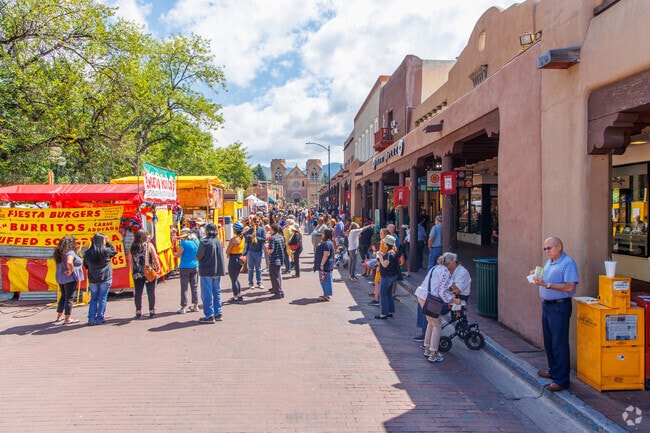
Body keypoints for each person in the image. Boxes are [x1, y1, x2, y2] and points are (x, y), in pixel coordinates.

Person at [531, 236, 578, 392]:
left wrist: (546, 284)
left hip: (559, 307)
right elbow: (545, 277)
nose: (547, 251)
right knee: (549, 341)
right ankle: (554, 371)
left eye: (549, 248)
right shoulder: (550, 262)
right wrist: (537, 276)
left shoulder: (568, 263)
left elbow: (570, 287)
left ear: (559, 247)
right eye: (545, 249)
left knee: (559, 342)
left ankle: (562, 379)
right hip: (547, 306)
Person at [414, 252, 459, 363]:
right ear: (452, 262)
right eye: (456, 262)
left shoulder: (435, 268)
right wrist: (453, 299)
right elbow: (442, 292)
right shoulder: (445, 272)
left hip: (422, 295)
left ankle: (427, 347)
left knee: (431, 322)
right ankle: (434, 352)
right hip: (431, 299)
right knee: (437, 325)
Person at [83, 233, 117, 325]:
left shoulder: (88, 253)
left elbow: (86, 266)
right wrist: (109, 243)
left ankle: (91, 319)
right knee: (102, 298)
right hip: (105, 277)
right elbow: (114, 251)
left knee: (93, 298)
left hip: (93, 278)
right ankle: (99, 318)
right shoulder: (106, 252)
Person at [196, 223, 226, 323]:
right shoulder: (218, 241)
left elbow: (198, 256)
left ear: (207, 231)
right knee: (217, 292)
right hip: (217, 270)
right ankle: (218, 313)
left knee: (207, 294)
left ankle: (209, 315)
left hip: (206, 270)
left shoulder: (204, 242)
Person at [129, 229, 161, 319]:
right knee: (151, 292)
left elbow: (131, 262)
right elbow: (155, 258)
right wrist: (158, 268)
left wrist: (132, 272)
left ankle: (138, 312)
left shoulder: (133, 247)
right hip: (148, 272)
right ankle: (152, 311)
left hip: (137, 273)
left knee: (138, 292)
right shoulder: (149, 245)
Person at [53, 235, 84, 325]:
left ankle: (59, 316)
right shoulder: (70, 252)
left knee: (63, 297)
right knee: (69, 298)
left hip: (60, 278)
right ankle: (68, 319)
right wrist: (71, 270)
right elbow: (69, 262)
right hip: (69, 278)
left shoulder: (59, 252)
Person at [174, 227, 200, 313]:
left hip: (185, 267)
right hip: (195, 266)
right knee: (194, 286)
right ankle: (195, 305)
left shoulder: (184, 243)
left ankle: (183, 307)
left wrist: (174, 254)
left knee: (184, 287)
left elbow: (178, 255)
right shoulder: (196, 241)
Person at [374, 235, 400, 319]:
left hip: (387, 275)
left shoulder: (390, 253)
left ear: (387, 244)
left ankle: (384, 313)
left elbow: (385, 264)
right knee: (388, 293)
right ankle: (389, 311)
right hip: (391, 275)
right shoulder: (392, 252)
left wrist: (380, 256)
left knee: (383, 294)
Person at [244, 215, 266, 290]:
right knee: (250, 268)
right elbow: (245, 238)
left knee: (258, 268)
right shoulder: (250, 230)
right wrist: (250, 236)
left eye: (257, 222)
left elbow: (264, 239)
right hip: (250, 251)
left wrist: (256, 237)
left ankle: (259, 282)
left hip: (258, 251)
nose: (256, 223)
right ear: (252, 222)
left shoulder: (262, 230)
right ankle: (250, 282)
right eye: (255, 222)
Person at [226, 221, 246, 303]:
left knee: (233, 279)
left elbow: (227, 251)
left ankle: (235, 297)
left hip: (234, 258)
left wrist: (228, 253)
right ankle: (239, 294)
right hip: (241, 257)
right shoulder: (242, 238)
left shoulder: (233, 240)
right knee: (236, 277)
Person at [314, 227, 335, 301]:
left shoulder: (327, 244)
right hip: (326, 265)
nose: (322, 235)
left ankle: (326, 295)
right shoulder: (327, 242)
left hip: (325, 266)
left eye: (323, 233)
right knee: (325, 280)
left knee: (325, 280)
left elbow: (326, 254)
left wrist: (322, 264)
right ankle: (326, 294)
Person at [266, 223, 286, 299]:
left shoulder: (272, 238)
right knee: (277, 275)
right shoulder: (281, 237)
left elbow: (271, 250)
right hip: (280, 258)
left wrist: (267, 248)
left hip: (274, 259)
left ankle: (277, 292)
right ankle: (280, 290)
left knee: (274, 277)